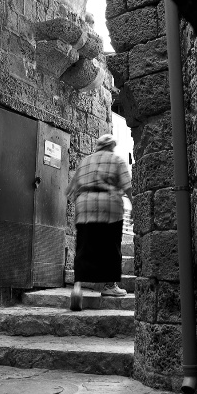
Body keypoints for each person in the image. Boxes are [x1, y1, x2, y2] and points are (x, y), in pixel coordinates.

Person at [66, 133, 132, 311]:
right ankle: (109, 286)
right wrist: (135, 206)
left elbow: (71, 191)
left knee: (84, 248)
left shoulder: (85, 161)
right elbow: (128, 187)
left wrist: (83, 204)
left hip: (85, 207)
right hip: (109, 207)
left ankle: (77, 288)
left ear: (97, 146)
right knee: (111, 247)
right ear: (112, 146)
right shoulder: (116, 160)